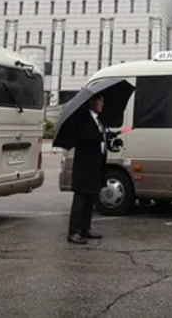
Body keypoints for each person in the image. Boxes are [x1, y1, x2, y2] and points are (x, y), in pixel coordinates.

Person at [63, 92, 111, 244]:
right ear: (93, 102)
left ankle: (85, 228)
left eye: (103, 101)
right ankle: (74, 232)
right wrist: (102, 137)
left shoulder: (98, 120)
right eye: (100, 101)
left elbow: (100, 139)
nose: (102, 104)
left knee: (91, 197)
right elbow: (86, 137)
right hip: (85, 166)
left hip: (95, 165)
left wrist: (110, 141)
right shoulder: (83, 118)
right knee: (81, 198)